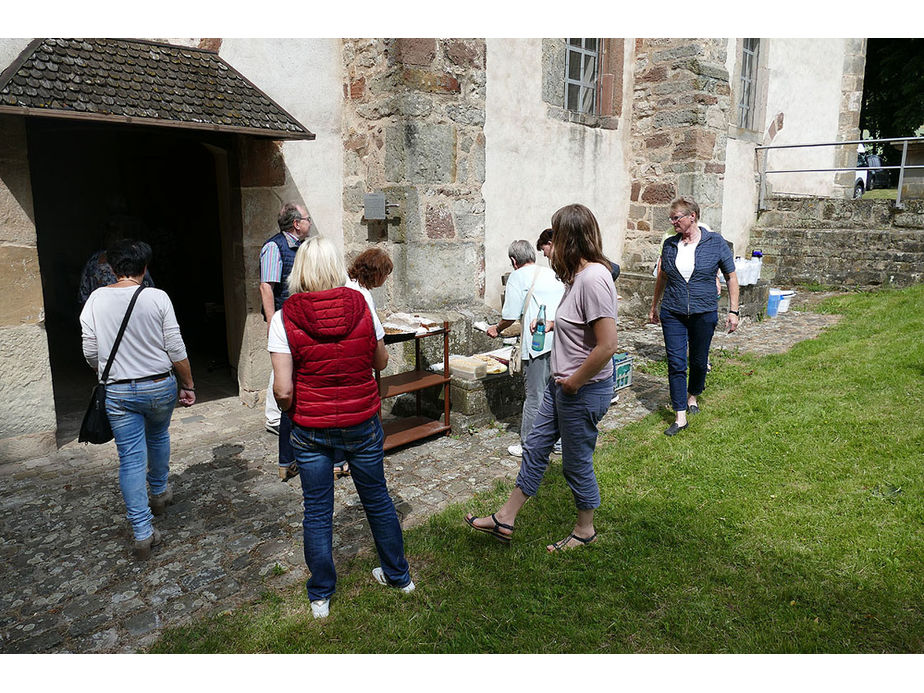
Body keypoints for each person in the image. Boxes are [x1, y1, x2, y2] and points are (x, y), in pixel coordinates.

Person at [268, 236, 414, 619]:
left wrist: (295, 408)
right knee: (378, 499)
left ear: (299, 270)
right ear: (335, 268)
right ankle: (400, 577)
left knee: (317, 510)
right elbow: (381, 361)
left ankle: (321, 596)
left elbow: (282, 390)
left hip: (312, 427)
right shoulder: (361, 304)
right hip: (362, 420)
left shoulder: (284, 318)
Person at [465, 203, 618, 552]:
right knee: (534, 448)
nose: (551, 244)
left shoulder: (594, 278)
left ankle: (585, 529)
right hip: (561, 384)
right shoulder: (576, 277)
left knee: (576, 462)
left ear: (571, 238)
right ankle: (506, 517)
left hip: (582, 387)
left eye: (557, 234)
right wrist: (551, 325)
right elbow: (583, 326)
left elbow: (608, 344)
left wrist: (575, 382)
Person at [79, 239, 195, 560]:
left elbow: (90, 350)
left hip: (117, 390)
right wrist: (188, 383)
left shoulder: (96, 299)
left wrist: (107, 369)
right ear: (145, 268)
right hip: (158, 385)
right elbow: (175, 347)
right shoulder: (157, 297)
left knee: (130, 457)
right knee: (158, 435)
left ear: (113, 269)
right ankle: (158, 492)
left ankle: (143, 533)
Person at [648, 196, 740, 436]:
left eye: (676, 218)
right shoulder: (669, 244)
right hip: (673, 311)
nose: (673, 222)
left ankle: (693, 396)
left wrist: (733, 310)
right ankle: (680, 416)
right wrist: (654, 306)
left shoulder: (715, 242)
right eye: (671, 218)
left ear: (693, 217)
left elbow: (731, 276)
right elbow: (662, 277)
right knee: (676, 362)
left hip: (704, 311)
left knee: (699, 361)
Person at [487, 239, 565, 457]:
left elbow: (510, 315)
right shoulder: (550, 272)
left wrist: (496, 328)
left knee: (535, 396)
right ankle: (557, 443)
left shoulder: (517, 276)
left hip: (537, 343)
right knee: (556, 393)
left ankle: (529, 444)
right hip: (558, 339)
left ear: (514, 261)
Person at [260, 203, 313, 480]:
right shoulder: (274, 247)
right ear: (295, 223)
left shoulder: (301, 246)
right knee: (284, 377)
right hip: (284, 320)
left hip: (298, 319)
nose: (309, 222)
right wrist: (272, 323)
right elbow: (267, 285)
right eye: (306, 218)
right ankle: (276, 420)